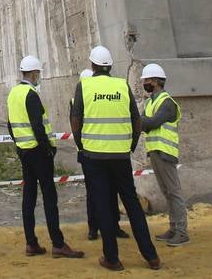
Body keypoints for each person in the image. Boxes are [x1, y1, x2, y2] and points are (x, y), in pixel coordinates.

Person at [70, 45, 161, 272]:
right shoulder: (122, 86)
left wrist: (81, 144)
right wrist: (130, 145)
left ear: (92, 65)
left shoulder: (85, 86)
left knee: (102, 204)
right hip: (120, 156)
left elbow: (75, 119)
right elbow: (136, 121)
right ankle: (151, 257)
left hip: (94, 156)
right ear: (109, 66)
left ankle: (112, 258)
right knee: (132, 204)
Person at [7, 54, 83, 259]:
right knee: (50, 196)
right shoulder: (31, 95)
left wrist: (19, 145)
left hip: (24, 151)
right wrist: (48, 149)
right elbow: (38, 126)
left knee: (29, 196)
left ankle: (31, 243)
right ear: (32, 73)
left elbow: (10, 125)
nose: (39, 76)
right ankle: (58, 244)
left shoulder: (13, 94)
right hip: (38, 152)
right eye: (38, 73)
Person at [140, 62, 189, 246]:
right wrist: (143, 120)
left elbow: (150, 122)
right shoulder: (151, 101)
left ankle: (182, 232)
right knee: (167, 192)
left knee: (173, 192)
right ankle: (174, 228)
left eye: (146, 80)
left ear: (155, 81)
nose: (144, 83)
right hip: (155, 152)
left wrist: (143, 121)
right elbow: (144, 120)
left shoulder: (167, 102)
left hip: (165, 153)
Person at [76, 68, 126, 242]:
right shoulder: (78, 98)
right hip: (89, 153)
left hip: (105, 150)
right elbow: (77, 125)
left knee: (110, 191)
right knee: (94, 193)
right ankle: (93, 227)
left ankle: (114, 226)